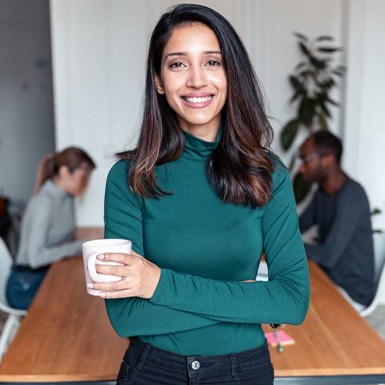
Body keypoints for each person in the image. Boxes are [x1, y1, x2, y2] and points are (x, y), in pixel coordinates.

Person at [90, 4, 309, 384]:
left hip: (244, 371)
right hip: (152, 371)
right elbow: (126, 317)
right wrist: (249, 298)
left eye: (212, 62)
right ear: (159, 79)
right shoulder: (129, 177)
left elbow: (292, 301)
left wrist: (155, 283)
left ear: (231, 74)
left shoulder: (268, 175)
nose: (196, 80)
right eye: (177, 64)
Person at [6, 147, 96, 310]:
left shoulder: (66, 198)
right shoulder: (43, 204)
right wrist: (78, 247)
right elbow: (35, 259)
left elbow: (66, 235)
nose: (85, 183)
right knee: (75, 307)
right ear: (64, 171)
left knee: (84, 295)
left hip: (45, 273)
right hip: (25, 284)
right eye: (83, 177)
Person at [298, 131, 375, 311]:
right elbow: (296, 227)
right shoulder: (322, 193)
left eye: (305, 160)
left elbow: (328, 256)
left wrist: (284, 246)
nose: (301, 168)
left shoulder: (352, 196)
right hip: (328, 279)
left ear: (328, 159)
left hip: (350, 292)